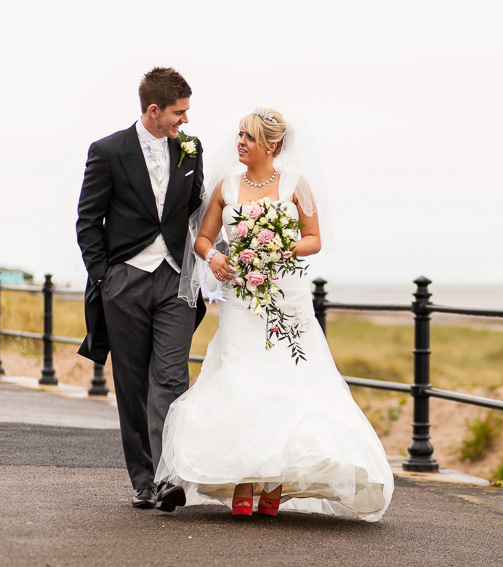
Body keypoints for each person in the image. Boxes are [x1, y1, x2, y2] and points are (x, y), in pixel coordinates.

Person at [155, 108, 393, 521]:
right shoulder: (227, 186)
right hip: (240, 301)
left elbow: (314, 239)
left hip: (286, 298)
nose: (240, 143)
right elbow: (204, 237)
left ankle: (275, 484)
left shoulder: (297, 185)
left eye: (248, 137)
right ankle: (243, 482)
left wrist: (280, 250)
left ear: (271, 144)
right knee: (239, 377)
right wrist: (214, 258)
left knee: (289, 383)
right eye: (240, 136)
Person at [76, 67, 206, 511]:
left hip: (175, 280)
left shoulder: (191, 150)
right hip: (124, 282)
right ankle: (144, 480)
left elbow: (196, 213)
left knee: (171, 377)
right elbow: (88, 222)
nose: (184, 121)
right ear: (153, 110)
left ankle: (171, 475)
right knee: (132, 384)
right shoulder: (108, 151)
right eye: (178, 112)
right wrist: (104, 277)